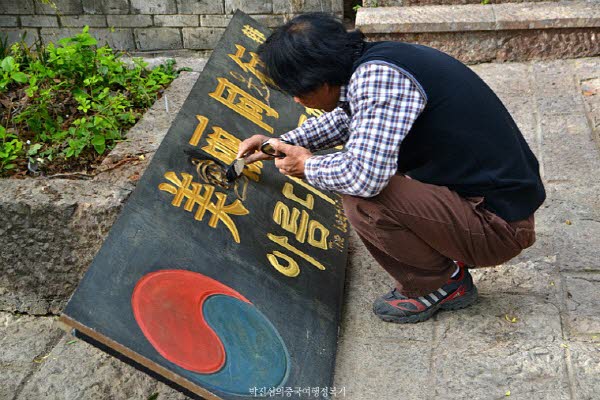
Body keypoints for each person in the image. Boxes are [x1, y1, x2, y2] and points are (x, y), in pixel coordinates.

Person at [237, 13, 545, 324]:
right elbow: (349, 119)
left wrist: (306, 165)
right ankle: (442, 266)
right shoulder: (374, 62)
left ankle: (441, 283)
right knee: (369, 165)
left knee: (363, 197)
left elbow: (362, 177)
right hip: (492, 203)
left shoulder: (379, 80)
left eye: (299, 91)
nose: (296, 98)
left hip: (497, 226)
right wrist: (278, 143)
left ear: (323, 78)